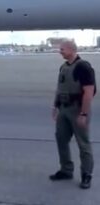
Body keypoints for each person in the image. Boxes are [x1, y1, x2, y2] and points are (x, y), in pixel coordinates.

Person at [50, 40, 96, 189]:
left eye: (62, 49)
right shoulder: (63, 67)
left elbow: (89, 91)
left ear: (71, 49)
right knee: (61, 139)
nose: (60, 51)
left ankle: (86, 175)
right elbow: (60, 88)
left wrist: (83, 113)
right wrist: (55, 106)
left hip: (77, 109)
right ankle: (66, 170)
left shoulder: (83, 67)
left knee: (83, 143)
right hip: (64, 108)